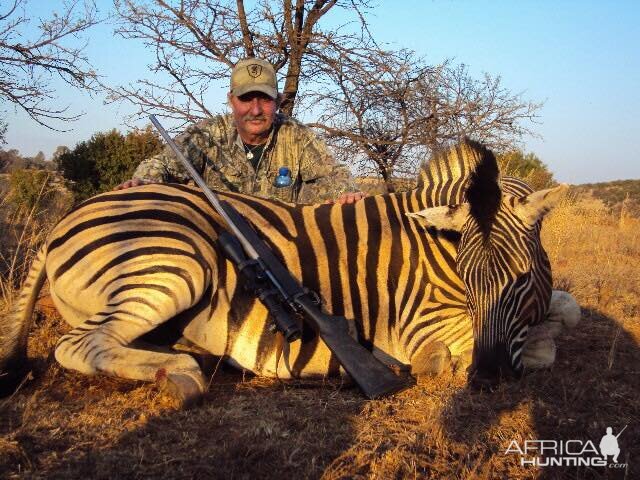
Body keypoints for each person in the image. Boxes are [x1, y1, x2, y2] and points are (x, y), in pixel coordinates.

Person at [118, 57, 364, 204]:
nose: (256, 110)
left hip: (281, 248)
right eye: (246, 99)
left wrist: (349, 195)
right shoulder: (206, 135)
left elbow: (335, 175)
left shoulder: (297, 135)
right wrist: (145, 182)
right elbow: (162, 164)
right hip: (221, 246)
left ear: (277, 101)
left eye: (264, 99)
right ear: (231, 100)